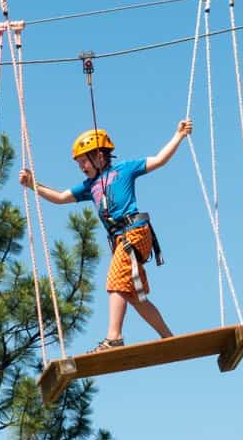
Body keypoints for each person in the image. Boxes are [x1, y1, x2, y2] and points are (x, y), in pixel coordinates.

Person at [18, 119, 192, 351]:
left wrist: (178, 135)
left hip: (135, 231)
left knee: (115, 282)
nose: (82, 166)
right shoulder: (89, 186)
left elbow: (160, 159)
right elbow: (60, 198)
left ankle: (114, 337)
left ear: (100, 157)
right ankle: (169, 338)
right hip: (121, 239)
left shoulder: (124, 170)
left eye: (84, 161)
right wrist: (32, 185)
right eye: (79, 163)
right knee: (133, 295)